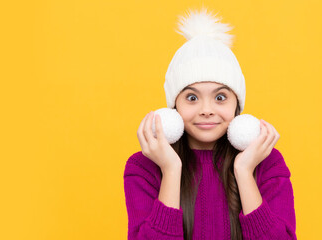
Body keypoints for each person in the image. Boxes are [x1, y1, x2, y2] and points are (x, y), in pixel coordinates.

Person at [123, 7, 297, 240]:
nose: (206, 110)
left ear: (237, 105)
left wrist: (244, 171)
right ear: (173, 108)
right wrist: (171, 170)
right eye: (192, 98)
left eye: (220, 97)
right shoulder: (144, 168)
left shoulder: (268, 164)